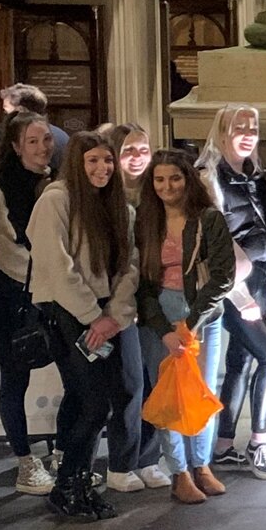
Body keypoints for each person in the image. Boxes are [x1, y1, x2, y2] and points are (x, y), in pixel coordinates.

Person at [28, 130, 138, 520]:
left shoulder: (119, 208)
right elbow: (58, 268)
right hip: (68, 315)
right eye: (93, 160)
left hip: (105, 317)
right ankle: (66, 484)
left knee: (85, 400)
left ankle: (78, 484)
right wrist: (94, 317)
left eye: (108, 161)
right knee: (96, 404)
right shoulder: (56, 201)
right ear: (77, 162)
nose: (102, 168)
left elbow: (129, 266)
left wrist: (114, 316)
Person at [133, 149, 235, 504]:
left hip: (201, 313)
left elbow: (223, 277)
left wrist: (188, 325)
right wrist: (164, 328)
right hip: (158, 314)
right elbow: (141, 283)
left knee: (203, 389)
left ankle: (202, 464)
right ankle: (179, 472)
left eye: (174, 178)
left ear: (188, 179)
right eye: (159, 179)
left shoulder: (209, 219)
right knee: (168, 397)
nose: (167, 186)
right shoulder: (144, 221)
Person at [194, 105, 266, 480]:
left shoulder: (255, 176)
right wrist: (239, 294)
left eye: (253, 127)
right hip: (233, 285)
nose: (248, 133)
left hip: (262, 276)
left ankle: (224, 444)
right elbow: (214, 243)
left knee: (243, 360)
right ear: (221, 131)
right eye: (239, 127)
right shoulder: (208, 177)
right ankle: (259, 440)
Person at [0, 111, 58, 493]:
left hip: (57, 290)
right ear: (14, 147)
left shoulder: (56, 181)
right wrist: (48, 273)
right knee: (15, 376)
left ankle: (60, 453)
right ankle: (26, 462)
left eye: (46, 139)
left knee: (65, 373)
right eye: (33, 141)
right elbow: (6, 250)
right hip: (15, 295)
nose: (43, 148)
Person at [95, 122, 168, 496]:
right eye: (128, 151)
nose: (138, 158)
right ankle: (121, 461)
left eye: (143, 149)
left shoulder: (158, 194)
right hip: (121, 302)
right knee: (129, 386)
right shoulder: (105, 199)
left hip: (155, 301)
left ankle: (149, 458)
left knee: (155, 381)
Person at [0, 83, 69, 169]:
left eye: (6, 112)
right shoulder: (61, 134)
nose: (5, 117)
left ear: (20, 111)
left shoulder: (22, 136)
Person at [102, 124, 152, 205]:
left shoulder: (159, 186)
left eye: (143, 149)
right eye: (129, 149)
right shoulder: (103, 188)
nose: (137, 156)